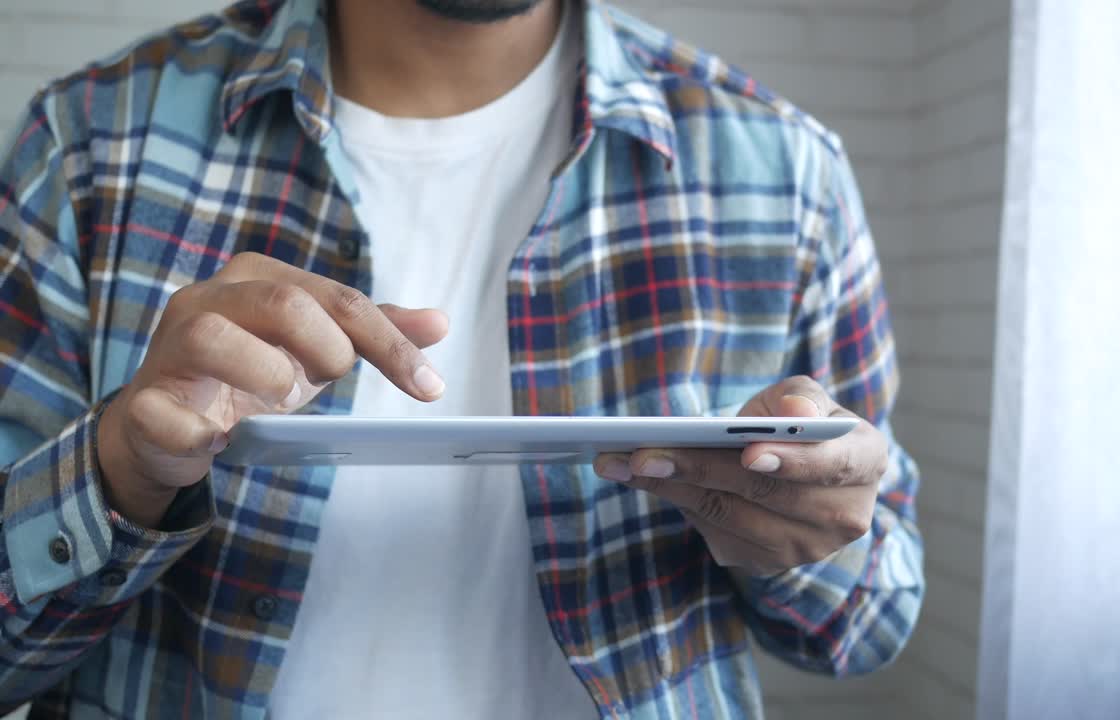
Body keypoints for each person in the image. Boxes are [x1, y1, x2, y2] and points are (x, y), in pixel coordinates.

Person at [0, 0, 924, 717]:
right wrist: (119, 473)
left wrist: (809, 540)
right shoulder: (90, 144)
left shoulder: (784, 171)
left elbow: (872, 621)